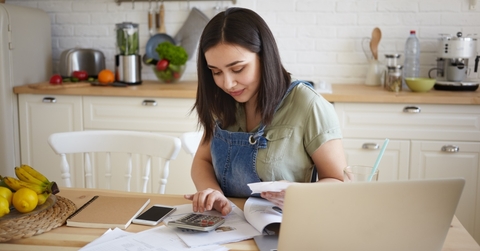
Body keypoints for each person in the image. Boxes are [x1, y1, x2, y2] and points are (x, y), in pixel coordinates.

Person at [184, 7, 347, 216]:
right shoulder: (222, 101)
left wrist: (299, 193)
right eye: (216, 72)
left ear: (264, 56)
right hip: (227, 227)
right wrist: (212, 193)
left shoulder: (308, 105)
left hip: (286, 227)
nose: (228, 83)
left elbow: (339, 182)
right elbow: (202, 160)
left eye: (238, 69)